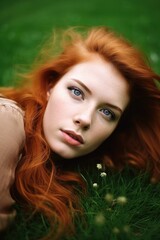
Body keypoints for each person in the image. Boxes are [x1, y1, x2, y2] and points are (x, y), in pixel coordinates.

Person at [0, 26, 160, 238]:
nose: (84, 119)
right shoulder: (7, 121)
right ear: (51, 86)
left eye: (106, 112)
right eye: (77, 92)